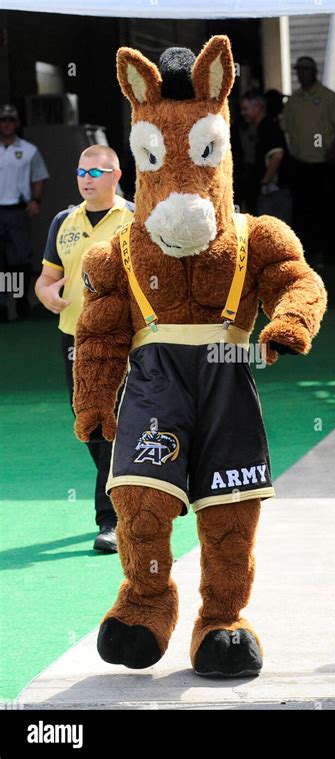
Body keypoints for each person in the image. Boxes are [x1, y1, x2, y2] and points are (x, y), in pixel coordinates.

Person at [35, 144, 134, 553]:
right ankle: (126, 493)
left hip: (123, 337)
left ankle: (110, 520)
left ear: (116, 176)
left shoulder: (135, 219)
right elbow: (46, 279)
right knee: (86, 421)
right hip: (75, 336)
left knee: (109, 421)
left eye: (96, 172)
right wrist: (47, 295)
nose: (87, 179)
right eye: (81, 171)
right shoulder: (63, 221)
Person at [280, 57, 335, 265]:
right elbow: (285, 129)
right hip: (301, 165)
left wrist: (334, 150)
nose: (301, 74)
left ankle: (331, 253)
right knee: (303, 211)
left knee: (328, 210)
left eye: (305, 70)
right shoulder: (293, 101)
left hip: (325, 165)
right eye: (298, 70)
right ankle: (308, 252)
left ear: (314, 72)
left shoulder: (329, 97)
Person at [0, 104, 49, 322]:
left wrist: (36, 200)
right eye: (3, 120)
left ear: (17, 123)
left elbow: (39, 177)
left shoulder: (29, 150)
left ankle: (20, 300)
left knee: (18, 260)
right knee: (1, 261)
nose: (7, 124)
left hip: (17, 211)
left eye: (11, 120)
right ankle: (1, 304)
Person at [240, 89, 291, 223]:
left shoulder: (268, 127)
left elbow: (277, 154)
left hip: (274, 193)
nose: (243, 113)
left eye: (246, 109)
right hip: (270, 192)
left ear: (257, 107)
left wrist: (265, 181)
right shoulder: (262, 127)